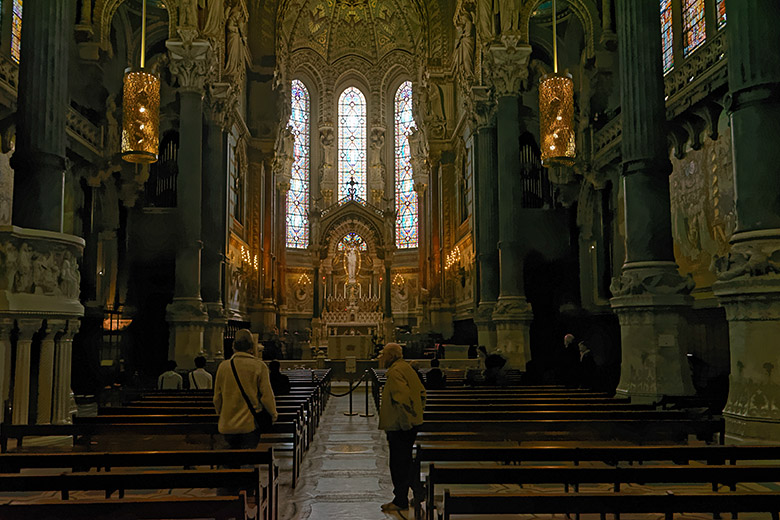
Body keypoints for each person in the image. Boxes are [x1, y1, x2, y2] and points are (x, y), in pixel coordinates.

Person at [378, 343, 426, 512]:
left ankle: (400, 500)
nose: (381, 358)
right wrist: (417, 415)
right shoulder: (407, 368)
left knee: (398, 464)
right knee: (406, 462)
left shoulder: (395, 371)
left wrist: (406, 423)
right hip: (409, 424)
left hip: (400, 426)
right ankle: (419, 492)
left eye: (383, 354)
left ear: (391, 356)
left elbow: (402, 398)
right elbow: (422, 393)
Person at [214, 329, 278, 449]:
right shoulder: (259, 366)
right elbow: (266, 396)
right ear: (252, 347)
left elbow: (217, 397)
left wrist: (221, 413)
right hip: (249, 424)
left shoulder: (223, 366)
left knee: (228, 462)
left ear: (234, 346)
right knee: (248, 459)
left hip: (226, 424)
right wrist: (273, 414)